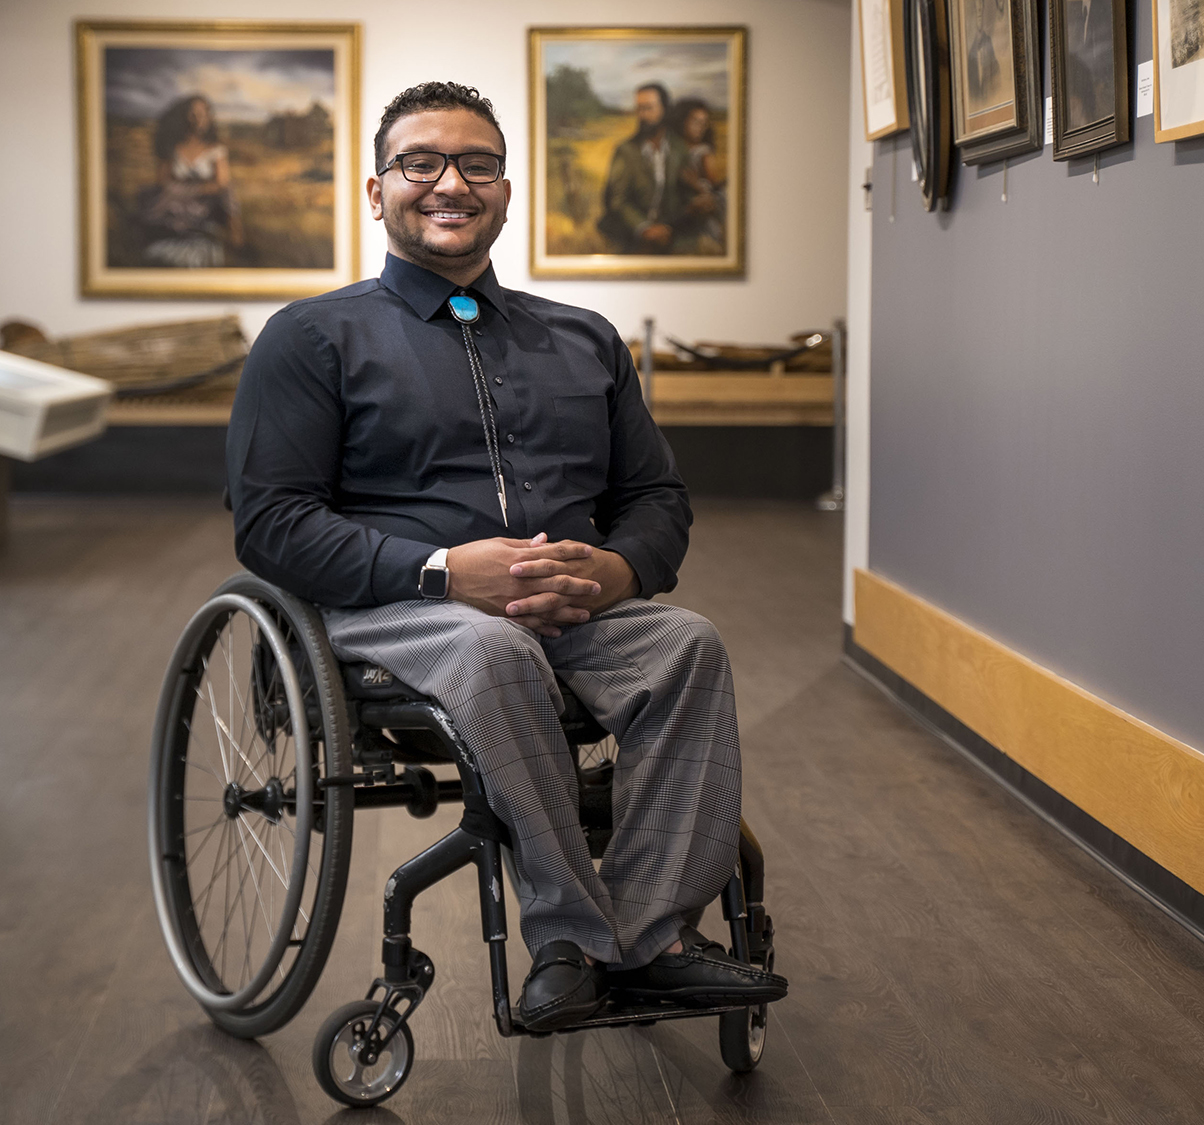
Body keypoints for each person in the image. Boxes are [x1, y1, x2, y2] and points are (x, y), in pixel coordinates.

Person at [228, 81, 787, 1031]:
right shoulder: (313, 338)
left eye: (476, 164)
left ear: (505, 187)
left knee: (687, 643)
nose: (450, 182)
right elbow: (272, 523)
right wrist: (445, 571)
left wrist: (616, 572)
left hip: (574, 608)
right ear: (377, 191)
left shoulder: (585, 339)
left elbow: (655, 500)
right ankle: (569, 937)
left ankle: (653, 937)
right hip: (391, 610)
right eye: (421, 163)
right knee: (492, 650)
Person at [138, 94, 242, 268]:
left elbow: (221, 184)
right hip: (173, 205)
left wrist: (187, 189)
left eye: (202, 114)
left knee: (228, 194)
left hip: (202, 207)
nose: (198, 119)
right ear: (184, 117)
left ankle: (235, 235)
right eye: (193, 114)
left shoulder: (216, 149)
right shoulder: (174, 148)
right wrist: (181, 190)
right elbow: (162, 182)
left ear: (208, 117)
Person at [596, 83, 690, 254]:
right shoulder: (626, 151)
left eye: (648, 108)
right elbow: (617, 201)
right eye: (639, 109)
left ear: (665, 110)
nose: (643, 115)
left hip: (671, 231)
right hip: (631, 234)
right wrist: (644, 228)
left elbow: (683, 192)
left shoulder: (678, 148)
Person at [670, 96, 726, 254]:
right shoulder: (673, 149)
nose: (700, 127)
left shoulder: (703, 153)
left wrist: (695, 185)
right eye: (695, 121)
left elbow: (716, 193)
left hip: (701, 221)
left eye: (704, 123)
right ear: (682, 121)